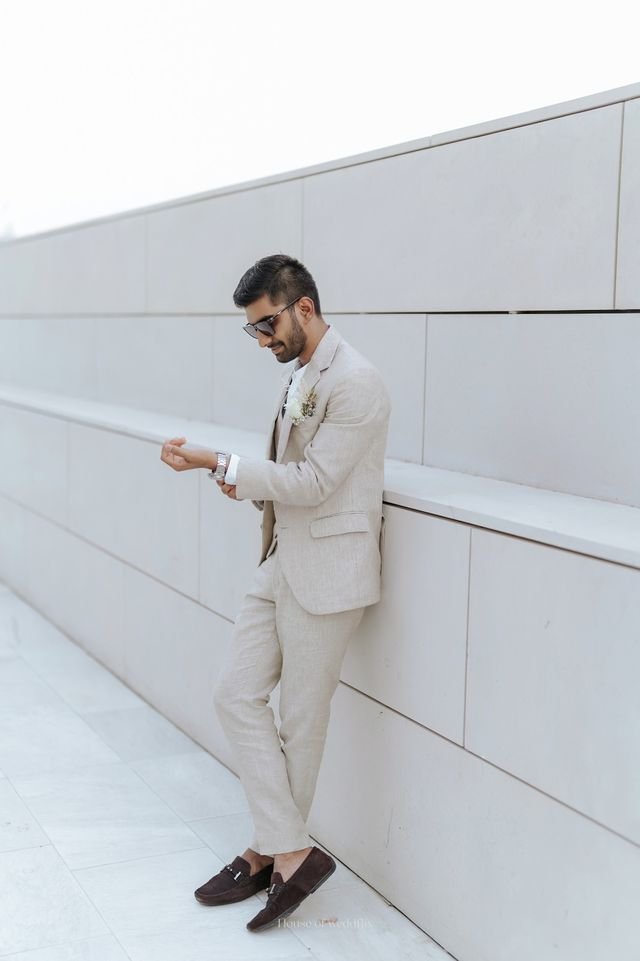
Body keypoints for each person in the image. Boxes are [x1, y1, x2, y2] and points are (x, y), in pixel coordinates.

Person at [160, 253, 391, 932]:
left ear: (305, 307)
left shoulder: (358, 382)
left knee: (302, 721)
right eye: (254, 331)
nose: (264, 341)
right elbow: (291, 476)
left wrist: (221, 462)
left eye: (267, 325)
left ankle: (266, 851)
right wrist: (243, 480)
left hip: (331, 572)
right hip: (282, 557)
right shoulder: (302, 375)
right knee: (234, 692)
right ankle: (290, 849)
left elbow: (317, 483)